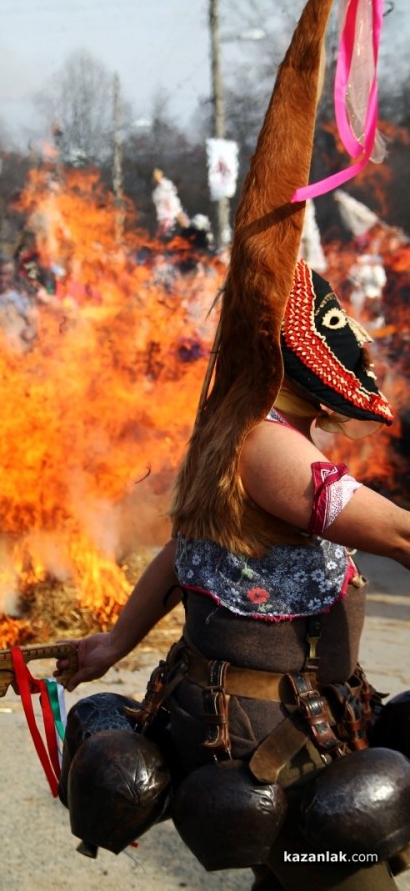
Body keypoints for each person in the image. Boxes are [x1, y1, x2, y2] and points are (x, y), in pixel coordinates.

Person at [56, 262, 410, 889]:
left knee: (283, 874)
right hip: (273, 739)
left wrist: (114, 644)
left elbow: (183, 554)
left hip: (265, 725)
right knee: (334, 874)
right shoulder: (268, 444)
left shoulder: (237, 431)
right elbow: (400, 535)